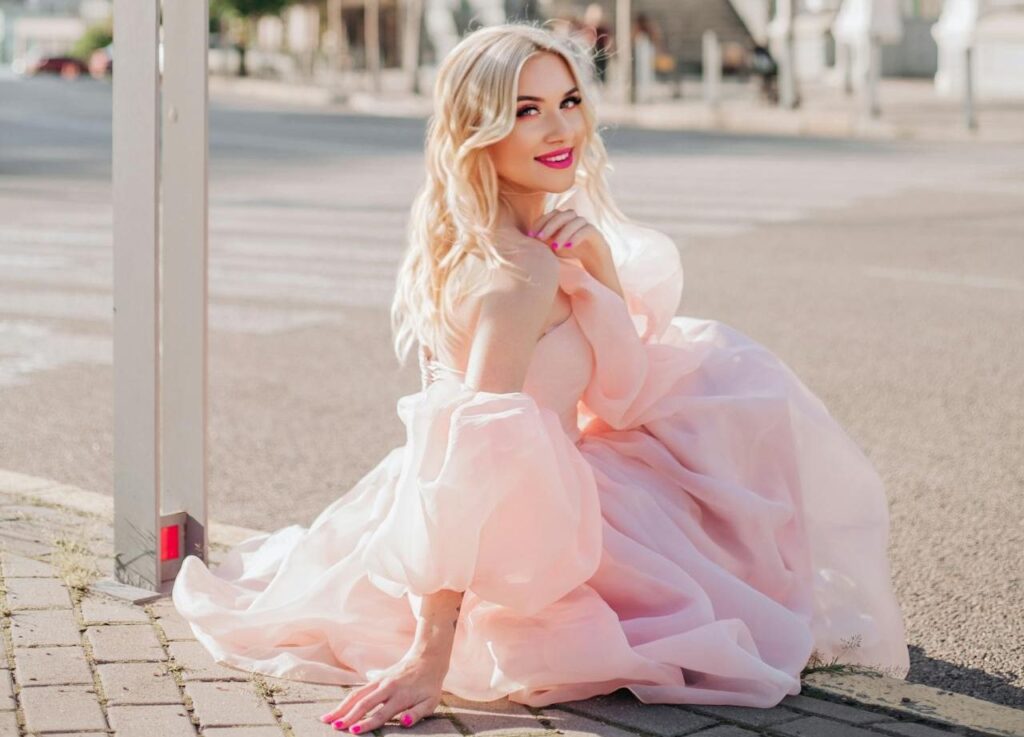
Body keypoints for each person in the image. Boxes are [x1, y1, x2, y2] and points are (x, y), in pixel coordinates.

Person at [172, 21, 911, 734]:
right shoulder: (516, 274)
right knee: (732, 522)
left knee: (727, 400)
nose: (560, 129)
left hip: (559, 478)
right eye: (526, 110)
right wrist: (431, 653)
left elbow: (619, 395)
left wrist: (600, 267)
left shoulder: (533, 239)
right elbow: (473, 457)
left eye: (568, 102)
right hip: (523, 522)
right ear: (478, 128)